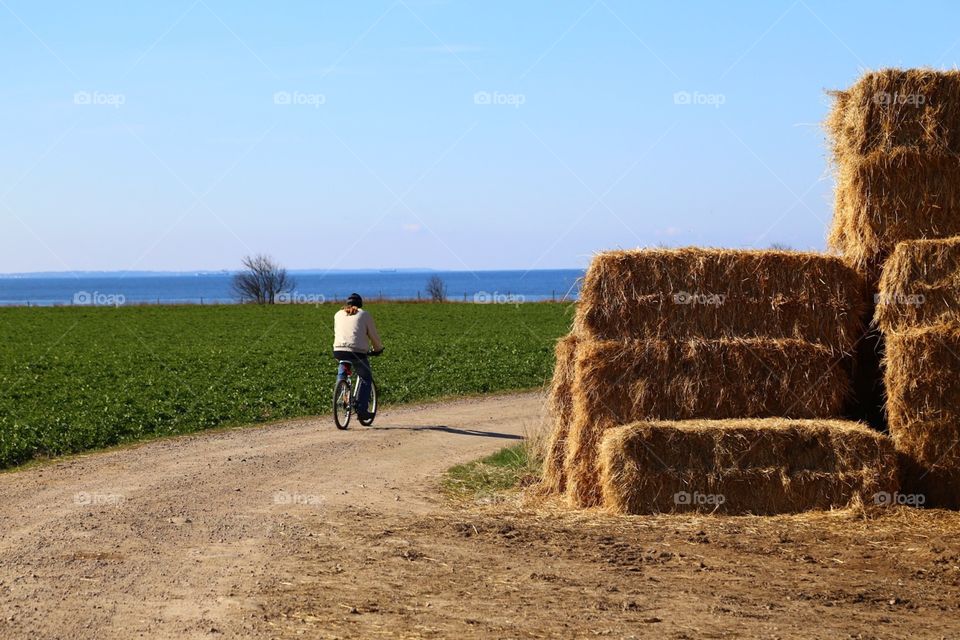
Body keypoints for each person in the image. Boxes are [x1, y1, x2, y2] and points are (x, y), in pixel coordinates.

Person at [333, 293, 383, 419]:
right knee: (366, 378)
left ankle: (341, 387)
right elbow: (373, 335)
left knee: (343, 367)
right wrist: (378, 349)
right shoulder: (364, 315)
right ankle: (362, 410)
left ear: (347, 304)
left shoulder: (338, 314)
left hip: (339, 350)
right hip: (357, 352)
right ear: (360, 304)